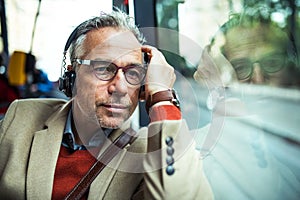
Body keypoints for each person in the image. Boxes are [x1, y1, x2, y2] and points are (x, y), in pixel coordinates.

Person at [0, 10, 213, 199]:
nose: (120, 87)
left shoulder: (149, 153)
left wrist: (161, 98)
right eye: (103, 68)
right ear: (71, 76)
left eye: (133, 73)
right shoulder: (21, 116)